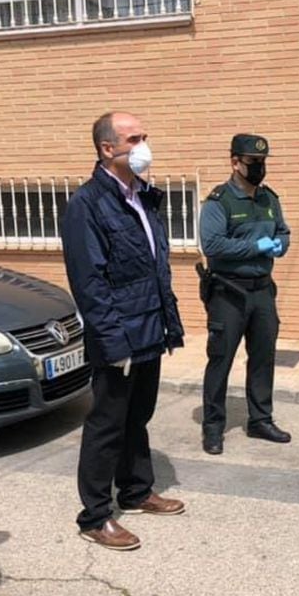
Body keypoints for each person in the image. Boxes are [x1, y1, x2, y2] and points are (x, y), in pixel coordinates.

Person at [60, 111, 186, 552]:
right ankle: (95, 515)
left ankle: (135, 491)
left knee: (138, 416)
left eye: (144, 136)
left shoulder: (141, 197)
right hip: (118, 335)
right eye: (133, 138)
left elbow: (152, 268)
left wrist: (166, 323)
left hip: (148, 327)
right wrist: (114, 341)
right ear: (106, 149)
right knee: (107, 424)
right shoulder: (88, 205)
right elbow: (90, 282)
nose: (143, 145)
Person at [198, 134, 292, 455]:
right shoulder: (218, 201)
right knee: (221, 359)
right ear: (235, 162)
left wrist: (280, 243)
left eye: (263, 162)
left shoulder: (269, 199)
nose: (259, 168)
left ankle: (260, 419)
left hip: (263, 291)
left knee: (263, 357)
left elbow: (282, 230)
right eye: (253, 163)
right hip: (229, 293)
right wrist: (255, 246)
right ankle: (213, 427)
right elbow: (212, 245)